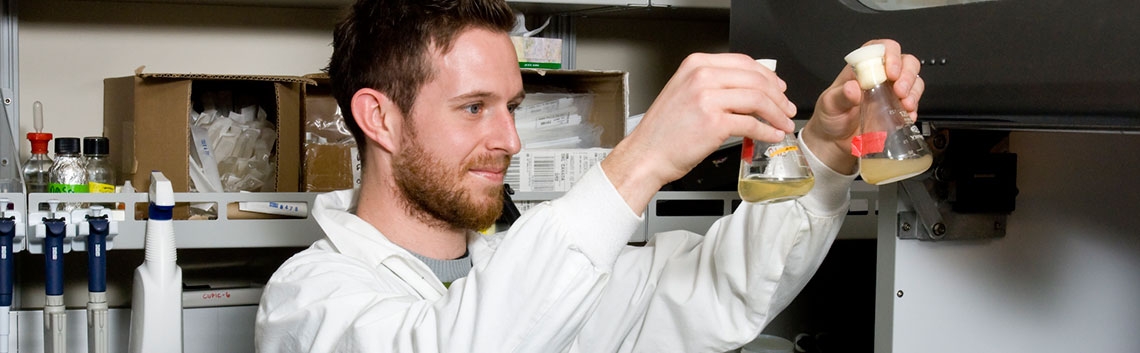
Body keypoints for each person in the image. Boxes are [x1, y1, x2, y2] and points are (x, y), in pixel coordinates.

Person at [255, 0, 924, 351]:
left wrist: (824, 149)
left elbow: (723, 289)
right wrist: (639, 160)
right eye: (474, 108)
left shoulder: (529, 266)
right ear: (380, 117)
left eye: (512, 107)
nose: (509, 139)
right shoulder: (310, 301)